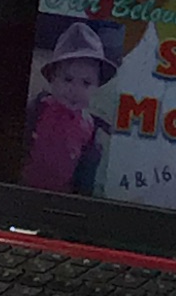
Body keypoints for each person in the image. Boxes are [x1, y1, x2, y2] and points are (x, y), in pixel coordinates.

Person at [23, 19, 120, 193]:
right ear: (52, 79)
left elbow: (85, 173)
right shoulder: (37, 110)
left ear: (97, 86)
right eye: (67, 79)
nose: (75, 90)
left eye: (86, 83)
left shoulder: (90, 128)